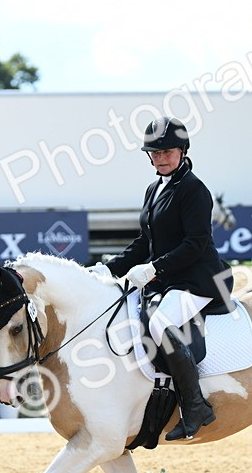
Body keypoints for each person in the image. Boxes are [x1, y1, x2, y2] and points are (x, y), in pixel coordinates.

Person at [98, 117, 234, 440]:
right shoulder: (154, 188)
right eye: (155, 153)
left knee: (159, 323)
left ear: (183, 151)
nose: (161, 158)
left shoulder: (195, 190)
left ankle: (195, 405)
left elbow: (195, 244)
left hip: (199, 279)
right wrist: (109, 268)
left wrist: (154, 268)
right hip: (170, 279)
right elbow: (144, 242)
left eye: (167, 151)